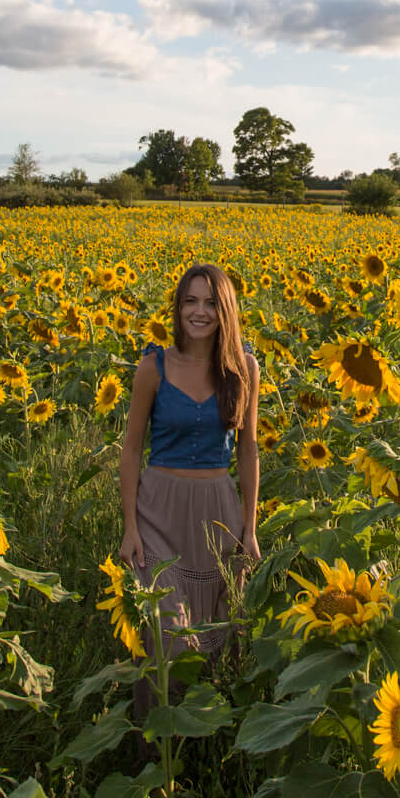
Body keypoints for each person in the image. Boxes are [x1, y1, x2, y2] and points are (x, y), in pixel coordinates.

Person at [118, 263, 260, 677]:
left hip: (218, 512)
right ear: (178, 309)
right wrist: (130, 527)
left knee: (221, 622)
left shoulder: (244, 369)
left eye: (211, 303)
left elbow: (248, 452)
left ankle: (206, 734)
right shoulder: (154, 367)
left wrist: (249, 528)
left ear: (226, 310)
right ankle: (156, 732)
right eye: (190, 302)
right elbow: (131, 449)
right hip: (158, 511)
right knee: (165, 626)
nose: (200, 312)